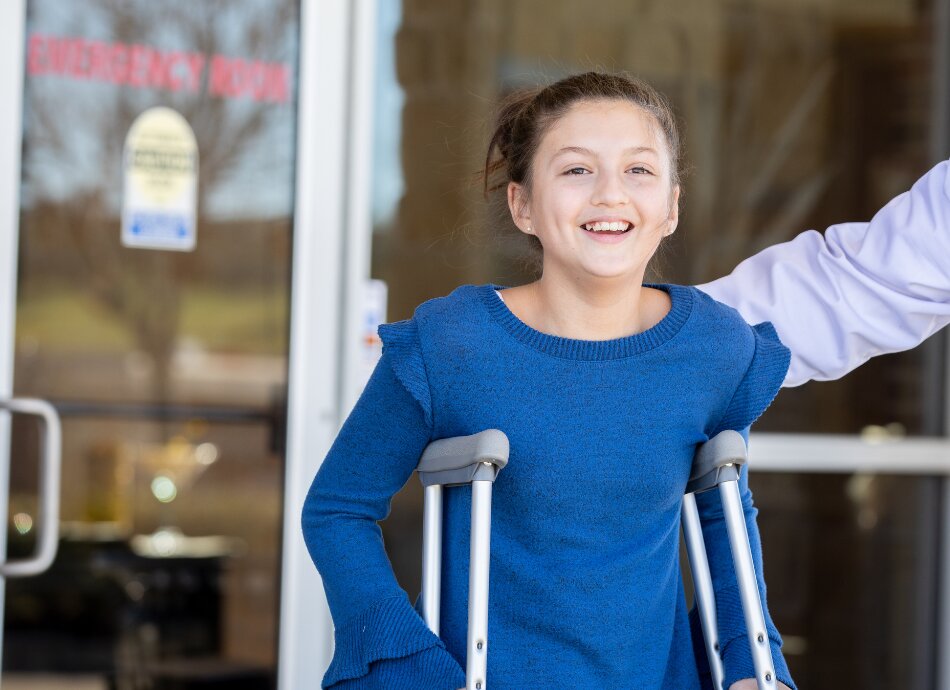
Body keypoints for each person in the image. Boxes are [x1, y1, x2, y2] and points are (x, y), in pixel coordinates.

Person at [302, 71, 799, 690]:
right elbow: (337, 509)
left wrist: (754, 666)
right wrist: (409, 666)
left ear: (671, 207)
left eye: (638, 171)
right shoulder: (454, 343)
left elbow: (723, 512)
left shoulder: (713, 347)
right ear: (523, 205)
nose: (610, 195)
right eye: (576, 170)